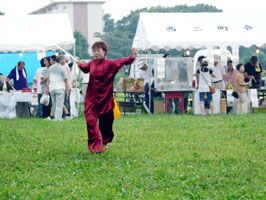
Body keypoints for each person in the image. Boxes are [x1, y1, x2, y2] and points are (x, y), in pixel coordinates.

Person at [77, 41, 137, 153]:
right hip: (91, 100)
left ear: (104, 52)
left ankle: (104, 141)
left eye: (98, 51)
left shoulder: (111, 64)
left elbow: (121, 61)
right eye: (94, 51)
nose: (96, 53)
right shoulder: (92, 63)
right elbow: (85, 68)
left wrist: (132, 58)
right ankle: (96, 147)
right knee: (91, 123)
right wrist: (79, 63)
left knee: (106, 124)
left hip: (105, 100)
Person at [46, 55, 69, 121]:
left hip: (52, 88)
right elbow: (66, 80)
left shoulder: (50, 68)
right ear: (60, 60)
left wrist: (47, 88)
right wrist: (67, 90)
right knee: (60, 103)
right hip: (60, 87)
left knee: (54, 103)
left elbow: (48, 79)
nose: (64, 61)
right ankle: (58, 118)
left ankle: (55, 117)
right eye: (63, 59)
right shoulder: (63, 68)